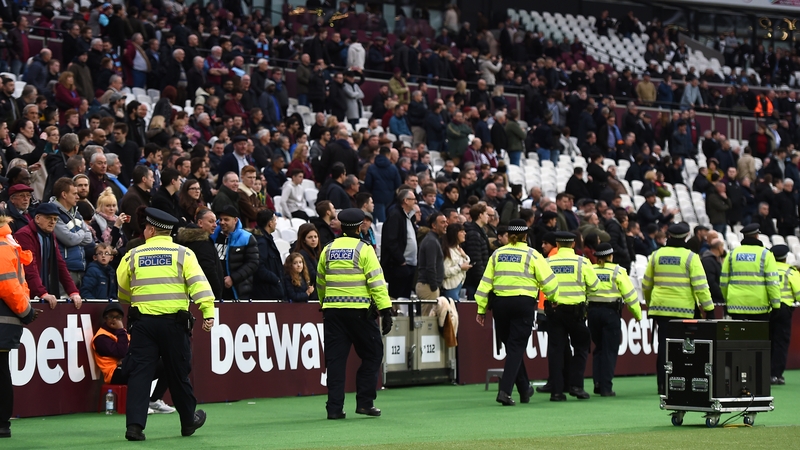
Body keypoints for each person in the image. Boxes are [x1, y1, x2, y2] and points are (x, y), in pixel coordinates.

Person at [116, 208, 213, 441]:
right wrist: (207, 312)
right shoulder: (183, 254)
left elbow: (122, 289)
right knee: (178, 372)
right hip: (174, 324)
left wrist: (136, 302)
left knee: (140, 374)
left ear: (150, 229)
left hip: (143, 324)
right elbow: (199, 285)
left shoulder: (132, 255)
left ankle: (135, 427)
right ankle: (188, 421)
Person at [316, 208, 393, 419]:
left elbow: (320, 281)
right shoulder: (364, 249)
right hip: (359, 312)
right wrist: (386, 310)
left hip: (333, 313)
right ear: (359, 227)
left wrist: (324, 303)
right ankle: (365, 403)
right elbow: (376, 282)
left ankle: (334, 409)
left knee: (336, 361)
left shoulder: (328, 249)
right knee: (373, 354)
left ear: (341, 226)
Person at [475, 219, 558, 405]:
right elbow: (550, 282)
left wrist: (481, 308)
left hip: (500, 305)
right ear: (525, 236)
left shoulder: (497, 254)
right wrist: (554, 300)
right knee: (516, 348)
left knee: (512, 348)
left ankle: (524, 388)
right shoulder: (532, 255)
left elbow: (485, 283)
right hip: (523, 303)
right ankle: (505, 391)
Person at [643, 223, 714, 395]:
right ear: (686, 236)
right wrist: (709, 309)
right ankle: (680, 383)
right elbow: (701, 286)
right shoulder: (691, 257)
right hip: (684, 311)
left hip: (661, 310)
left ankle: (662, 384)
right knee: (685, 349)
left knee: (663, 347)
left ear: (669, 236)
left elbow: (646, 284)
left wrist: (650, 302)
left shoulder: (656, 255)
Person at [90, 302, 177, 416]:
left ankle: (154, 400)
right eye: (111, 317)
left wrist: (127, 357)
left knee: (167, 363)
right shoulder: (101, 337)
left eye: (118, 317)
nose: (114, 320)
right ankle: (140, 405)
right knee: (139, 367)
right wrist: (121, 331)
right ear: (105, 318)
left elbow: (138, 349)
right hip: (114, 373)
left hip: (127, 365)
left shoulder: (125, 334)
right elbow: (122, 351)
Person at [545, 232, 599, 401]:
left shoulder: (548, 262)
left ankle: (557, 391)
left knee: (556, 351)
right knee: (581, 348)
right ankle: (576, 386)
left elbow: (540, 283)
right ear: (574, 244)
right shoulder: (582, 262)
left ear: (557, 244)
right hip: (576, 313)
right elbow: (595, 286)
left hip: (554, 312)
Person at [0, 214, 40, 439]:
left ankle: (2, 423)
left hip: (3, 317)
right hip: (7, 316)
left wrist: (26, 311)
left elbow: (7, 286)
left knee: (1, 372)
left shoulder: (3, 246)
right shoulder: (7, 244)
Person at [587, 243, 641, 397]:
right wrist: (637, 314)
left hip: (593, 312)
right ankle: (606, 387)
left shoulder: (590, 270)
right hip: (611, 313)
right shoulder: (618, 271)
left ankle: (597, 383)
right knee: (609, 351)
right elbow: (630, 295)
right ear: (611, 256)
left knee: (598, 349)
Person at [720, 223, 780, 321]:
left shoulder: (732, 254)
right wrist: (776, 305)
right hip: (759, 306)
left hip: (736, 305)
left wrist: (727, 301)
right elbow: (772, 282)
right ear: (757, 236)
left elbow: (723, 282)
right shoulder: (766, 254)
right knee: (757, 336)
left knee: (738, 336)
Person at [211, 206, 259, 301]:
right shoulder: (212, 236)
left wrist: (233, 278)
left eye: (226, 219)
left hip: (238, 290)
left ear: (235, 220)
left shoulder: (247, 238)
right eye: (220, 219)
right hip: (215, 289)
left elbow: (253, 263)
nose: (222, 222)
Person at [176, 209, 223, 299]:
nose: (215, 225)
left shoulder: (184, 240)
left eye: (215, 222)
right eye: (211, 221)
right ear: (200, 223)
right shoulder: (203, 243)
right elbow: (209, 270)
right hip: (205, 296)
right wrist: (217, 293)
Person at [769, 244, 799, 385]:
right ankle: (776, 375)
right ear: (785, 258)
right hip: (784, 310)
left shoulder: (767, 270)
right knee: (781, 343)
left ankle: (764, 373)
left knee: (767, 341)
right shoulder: (790, 271)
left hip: (767, 309)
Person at [381, 189, 418, 299]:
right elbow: (391, 241)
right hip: (398, 266)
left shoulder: (409, 216)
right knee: (397, 298)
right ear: (406, 200)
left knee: (405, 298)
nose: (415, 202)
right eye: (413, 199)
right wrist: (401, 260)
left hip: (409, 265)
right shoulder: (395, 215)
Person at [251, 209, 285, 300]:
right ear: (270, 223)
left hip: (269, 291)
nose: (276, 223)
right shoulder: (262, 242)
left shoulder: (266, 240)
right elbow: (259, 267)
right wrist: (276, 279)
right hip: (266, 293)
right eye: (274, 220)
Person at [416, 212, 447, 301]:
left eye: (446, 222)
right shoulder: (431, 241)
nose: (446, 225)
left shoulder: (433, 240)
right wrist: (434, 287)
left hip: (429, 286)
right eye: (442, 222)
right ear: (434, 225)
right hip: (428, 287)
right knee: (428, 315)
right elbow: (430, 267)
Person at [441, 223, 471, 301]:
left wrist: (464, 256)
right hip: (450, 287)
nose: (465, 233)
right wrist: (460, 267)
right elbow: (445, 272)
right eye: (461, 231)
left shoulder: (458, 249)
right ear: (454, 234)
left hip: (459, 286)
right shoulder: (448, 251)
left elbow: (467, 262)